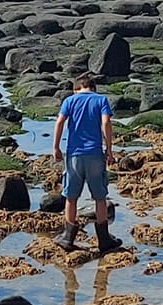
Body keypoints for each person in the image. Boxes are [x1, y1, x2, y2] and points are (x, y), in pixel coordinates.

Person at [51, 68, 119, 255]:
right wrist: (109, 149)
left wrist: (56, 147)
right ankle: (104, 239)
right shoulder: (101, 100)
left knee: (71, 197)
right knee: (100, 197)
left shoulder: (69, 101)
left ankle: (67, 237)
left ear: (76, 89)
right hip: (95, 154)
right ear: (93, 88)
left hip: (74, 155)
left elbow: (59, 122)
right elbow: (106, 122)